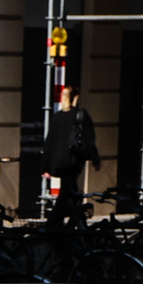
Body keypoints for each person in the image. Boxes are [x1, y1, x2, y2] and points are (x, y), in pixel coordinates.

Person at [41, 84, 100, 224]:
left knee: (68, 191)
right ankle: (58, 224)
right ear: (76, 97)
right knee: (68, 193)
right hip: (74, 160)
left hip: (59, 162)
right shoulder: (81, 115)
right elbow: (89, 139)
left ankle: (67, 223)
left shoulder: (57, 117)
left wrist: (45, 167)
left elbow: (49, 142)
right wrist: (95, 159)